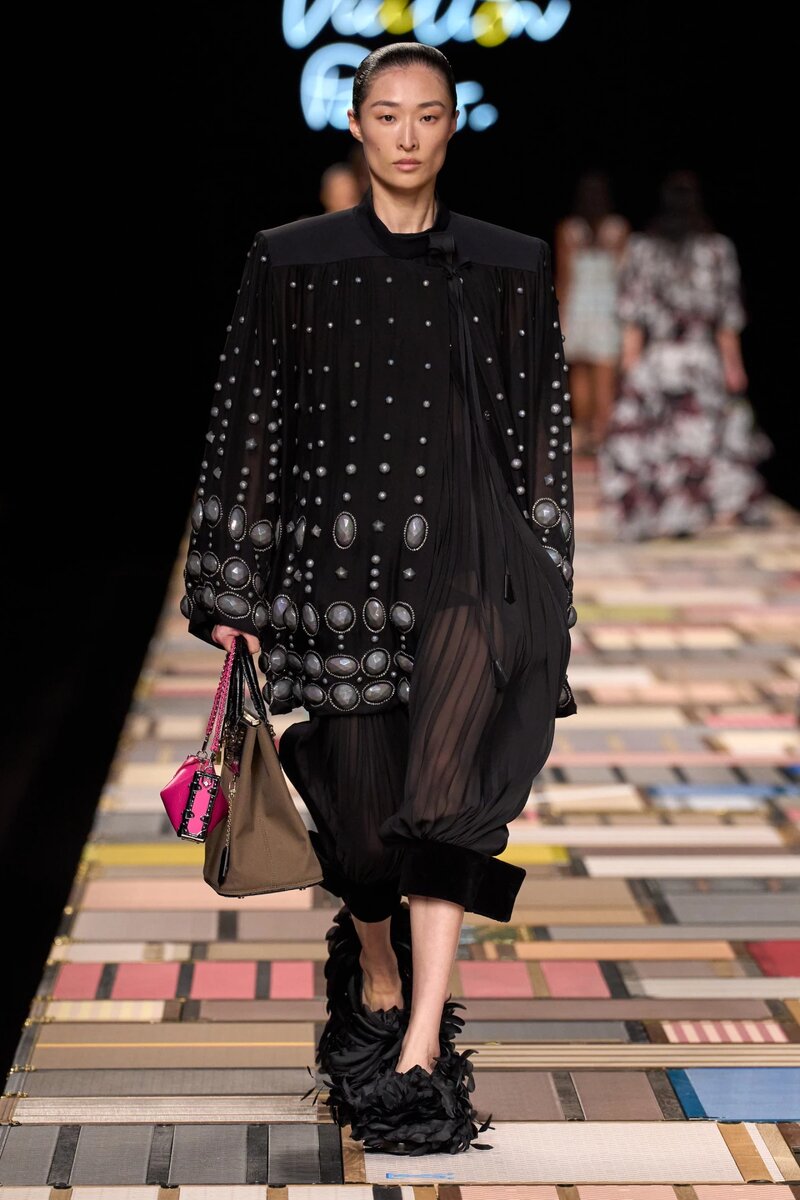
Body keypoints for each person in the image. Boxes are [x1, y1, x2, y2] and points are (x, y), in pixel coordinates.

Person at [180, 41, 577, 1154]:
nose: (407, 135)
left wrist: (548, 581)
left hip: (474, 568)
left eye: (427, 115)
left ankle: (419, 1055)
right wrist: (232, 584)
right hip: (339, 569)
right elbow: (251, 421)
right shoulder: (292, 260)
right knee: (361, 840)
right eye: (387, 114)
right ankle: (375, 958)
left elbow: (541, 434)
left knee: (445, 804)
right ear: (355, 125)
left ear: (453, 126)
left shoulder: (508, 263)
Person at [596, 169, 773, 539]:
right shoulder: (717, 250)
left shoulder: (642, 248)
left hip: (657, 359)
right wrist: (734, 367)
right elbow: (726, 318)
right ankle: (686, 513)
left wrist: (628, 368)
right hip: (701, 361)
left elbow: (633, 317)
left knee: (652, 439)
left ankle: (657, 514)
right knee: (698, 440)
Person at [555, 170, 630, 454]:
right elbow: (624, 273)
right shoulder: (618, 229)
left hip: (578, 307)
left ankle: (586, 432)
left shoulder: (569, 229)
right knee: (604, 375)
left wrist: (559, 313)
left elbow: (564, 277)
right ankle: (601, 436)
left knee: (580, 373)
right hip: (607, 307)